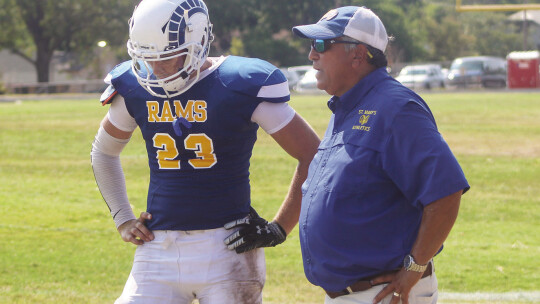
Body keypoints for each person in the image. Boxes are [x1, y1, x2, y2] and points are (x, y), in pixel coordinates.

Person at [90, 0, 320, 303]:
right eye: (147, 58)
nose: (156, 69)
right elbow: (103, 153)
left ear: (197, 42)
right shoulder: (135, 85)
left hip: (229, 247)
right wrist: (122, 216)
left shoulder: (238, 83)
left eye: (167, 57)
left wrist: (279, 228)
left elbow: (314, 154)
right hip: (159, 245)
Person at [292, 6, 470, 304]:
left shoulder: (396, 108)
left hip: (383, 294)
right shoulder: (347, 106)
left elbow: (446, 191)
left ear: (358, 55)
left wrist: (416, 265)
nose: (312, 55)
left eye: (321, 45)